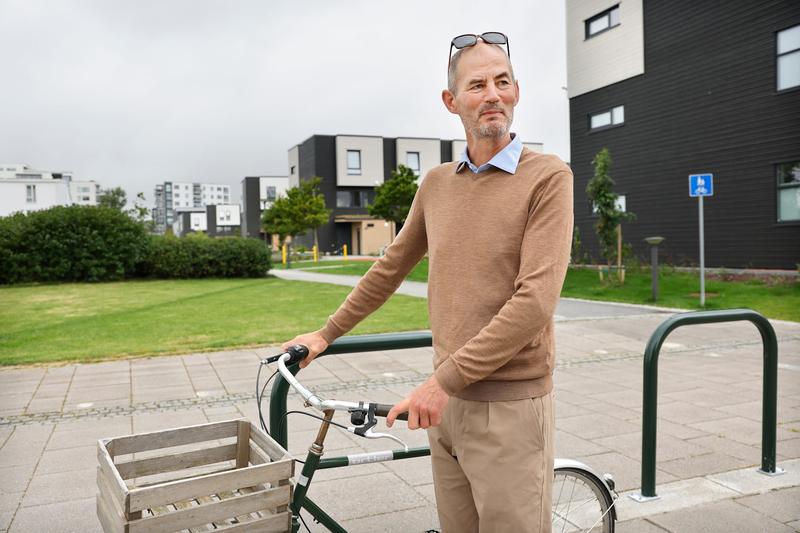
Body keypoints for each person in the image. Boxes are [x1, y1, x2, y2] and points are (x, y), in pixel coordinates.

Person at [281, 32, 573, 533]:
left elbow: (534, 302)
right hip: (447, 407)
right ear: (451, 101)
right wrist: (325, 334)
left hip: (508, 406)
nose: (493, 95)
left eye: (502, 82)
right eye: (477, 84)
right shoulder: (437, 184)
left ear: (517, 92)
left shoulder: (547, 177)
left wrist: (442, 382)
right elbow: (390, 267)